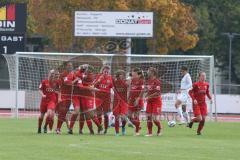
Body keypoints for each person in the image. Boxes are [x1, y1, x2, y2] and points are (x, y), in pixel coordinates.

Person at [56, 62, 75, 134]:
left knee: (65, 113)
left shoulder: (72, 74)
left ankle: (69, 128)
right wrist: (59, 97)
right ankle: (58, 128)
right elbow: (67, 83)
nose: (70, 67)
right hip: (64, 96)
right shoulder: (64, 74)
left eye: (71, 65)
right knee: (62, 112)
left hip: (70, 96)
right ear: (66, 66)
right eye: (69, 65)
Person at [38, 69, 60, 133]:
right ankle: (39, 127)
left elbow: (59, 91)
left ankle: (45, 126)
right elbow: (39, 89)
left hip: (52, 100)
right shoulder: (44, 81)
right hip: (44, 101)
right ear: (49, 74)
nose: (52, 75)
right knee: (41, 115)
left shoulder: (56, 82)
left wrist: (59, 98)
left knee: (49, 114)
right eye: (51, 74)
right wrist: (42, 95)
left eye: (53, 74)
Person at [94, 65, 113, 134]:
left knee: (106, 114)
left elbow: (113, 87)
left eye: (107, 71)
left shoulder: (110, 78)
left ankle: (105, 129)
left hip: (106, 98)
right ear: (102, 71)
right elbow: (94, 85)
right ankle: (99, 128)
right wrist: (99, 80)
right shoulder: (98, 76)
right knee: (98, 113)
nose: (106, 72)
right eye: (105, 71)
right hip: (98, 97)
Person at [145, 67, 162, 136]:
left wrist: (149, 96)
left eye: (148, 71)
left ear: (153, 73)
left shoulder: (157, 81)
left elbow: (158, 93)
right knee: (148, 117)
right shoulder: (148, 81)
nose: (147, 72)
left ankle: (159, 128)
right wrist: (145, 95)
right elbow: (149, 90)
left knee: (155, 119)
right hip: (149, 102)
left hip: (156, 102)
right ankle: (150, 132)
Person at [128, 68, 144, 136]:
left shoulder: (141, 81)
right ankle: (137, 125)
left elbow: (143, 90)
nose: (132, 73)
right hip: (131, 100)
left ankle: (137, 131)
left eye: (133, 72)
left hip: (137, 100)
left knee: (136, 116)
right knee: (128, 115)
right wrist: (128, 98)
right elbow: (130, 89)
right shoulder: (132, 80)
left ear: (137, 73)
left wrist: (138, 99)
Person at [112, 70, 128, 136]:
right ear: (118, 75)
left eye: (123, 75)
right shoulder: (115, 82)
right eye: (121, 74)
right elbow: (111, 79)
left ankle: (123, 127)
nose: (122, 76)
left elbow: (128, 87)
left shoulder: (125, 82)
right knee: (117, 117)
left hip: (124, 102)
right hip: (116, 102)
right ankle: (117, 132)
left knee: (123, 117)